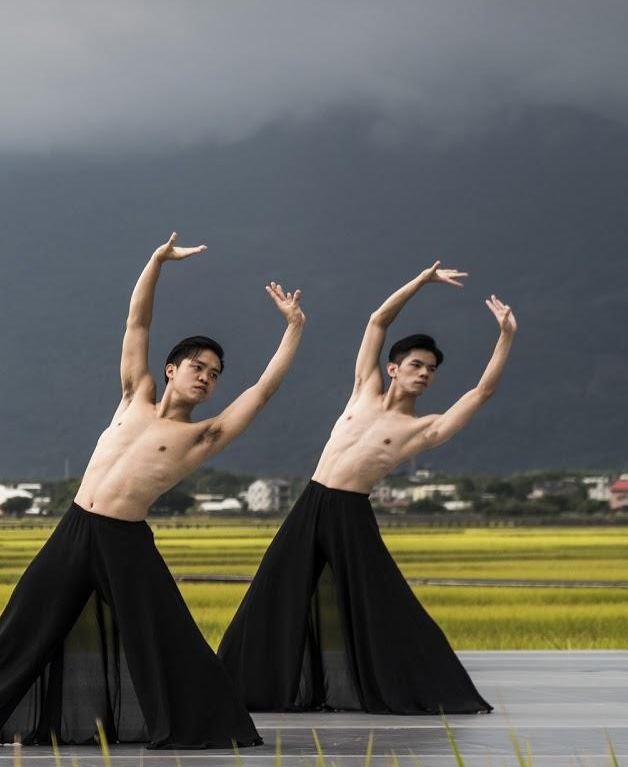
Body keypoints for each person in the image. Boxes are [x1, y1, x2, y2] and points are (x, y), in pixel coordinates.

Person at [0, 234, 304, 751]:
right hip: (76, 527)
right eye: (198, 368)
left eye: (214, 375)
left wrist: (294, 328)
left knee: (165, 635)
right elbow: (137, 324)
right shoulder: (135, 395)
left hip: (125, 540)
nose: (207, 379)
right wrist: (156, 263)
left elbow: (263, 390)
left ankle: (211, 725)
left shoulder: (201, 435)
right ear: (172, 369)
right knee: (23, 622)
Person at [218, 265, 514, 713]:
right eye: (416, 365)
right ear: (393, 368)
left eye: (431, 370)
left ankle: (429, 687)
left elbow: (482, 392)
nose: (424, 374)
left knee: (381, 602)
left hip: (351, 512)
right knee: (272, 589)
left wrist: (506, 335)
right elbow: (378, 321)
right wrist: (421, 281)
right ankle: (237, 685)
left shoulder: (423, 429)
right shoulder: (364, 390)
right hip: (311, 500)